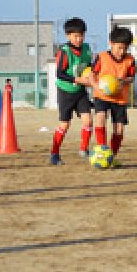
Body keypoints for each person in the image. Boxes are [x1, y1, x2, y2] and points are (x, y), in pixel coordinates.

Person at [50, 17, 94, 166]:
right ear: (68, 36)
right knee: (64, 125)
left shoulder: (87, 49)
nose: (79, 39)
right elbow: (60, 73)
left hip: (80, 91)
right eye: (75, 36)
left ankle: (84, 150)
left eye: (81, 35)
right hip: (65, 91)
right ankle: (54, 154)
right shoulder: (64, 51)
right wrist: (79, 80)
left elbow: (89, 67)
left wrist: (91, 77)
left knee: (88, 120)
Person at [91, 26, 136, 166]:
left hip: (120, 98)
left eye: (125, 48)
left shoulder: (130, 60)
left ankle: (111, 156)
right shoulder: (102, 57)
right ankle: (101, 151)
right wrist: (96, 86)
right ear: (111, 43)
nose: (122, 52)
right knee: (100, 117)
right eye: (119, 48)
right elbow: (92, 74)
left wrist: (122, 81)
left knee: (119, 129)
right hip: (102, 95)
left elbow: (131, 77)